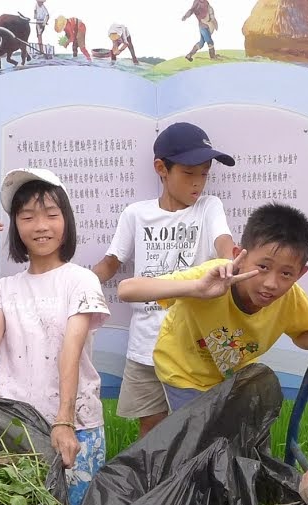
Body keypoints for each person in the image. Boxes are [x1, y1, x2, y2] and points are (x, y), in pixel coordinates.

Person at [0, 168, 109, 505]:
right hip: (18, 431)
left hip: (76, 427)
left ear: (66, 220)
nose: (41, 226)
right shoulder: (4, 287)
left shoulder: (81, 280)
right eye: (28, 216)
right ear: (16, 226)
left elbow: (71, 349)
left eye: (51, 214)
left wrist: (64, 421)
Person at [116, 202, 308, 412]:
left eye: (286, 273)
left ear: (300, 273)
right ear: (239, 255)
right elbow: (127, 289)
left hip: (233, 377)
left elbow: (305, 334)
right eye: (263, 267)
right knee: (197, 442)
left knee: (231, 439)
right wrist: (196, 289)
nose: (271, 283)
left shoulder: (290, 297)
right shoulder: (215, 276)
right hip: (184, 373)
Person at [91, 122, 235, 437]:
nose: (198, 183)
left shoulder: (209, 207)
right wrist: (77, 283)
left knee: (196, 430)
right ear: (161, 168)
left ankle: (191, 486)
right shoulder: (135, 214)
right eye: (189, 173)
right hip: (145, 345)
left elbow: (223, 240)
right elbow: (112, 262)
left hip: (193, 347)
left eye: (204, 173)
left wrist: (232, 260)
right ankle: (154, 485)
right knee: (151, 429)